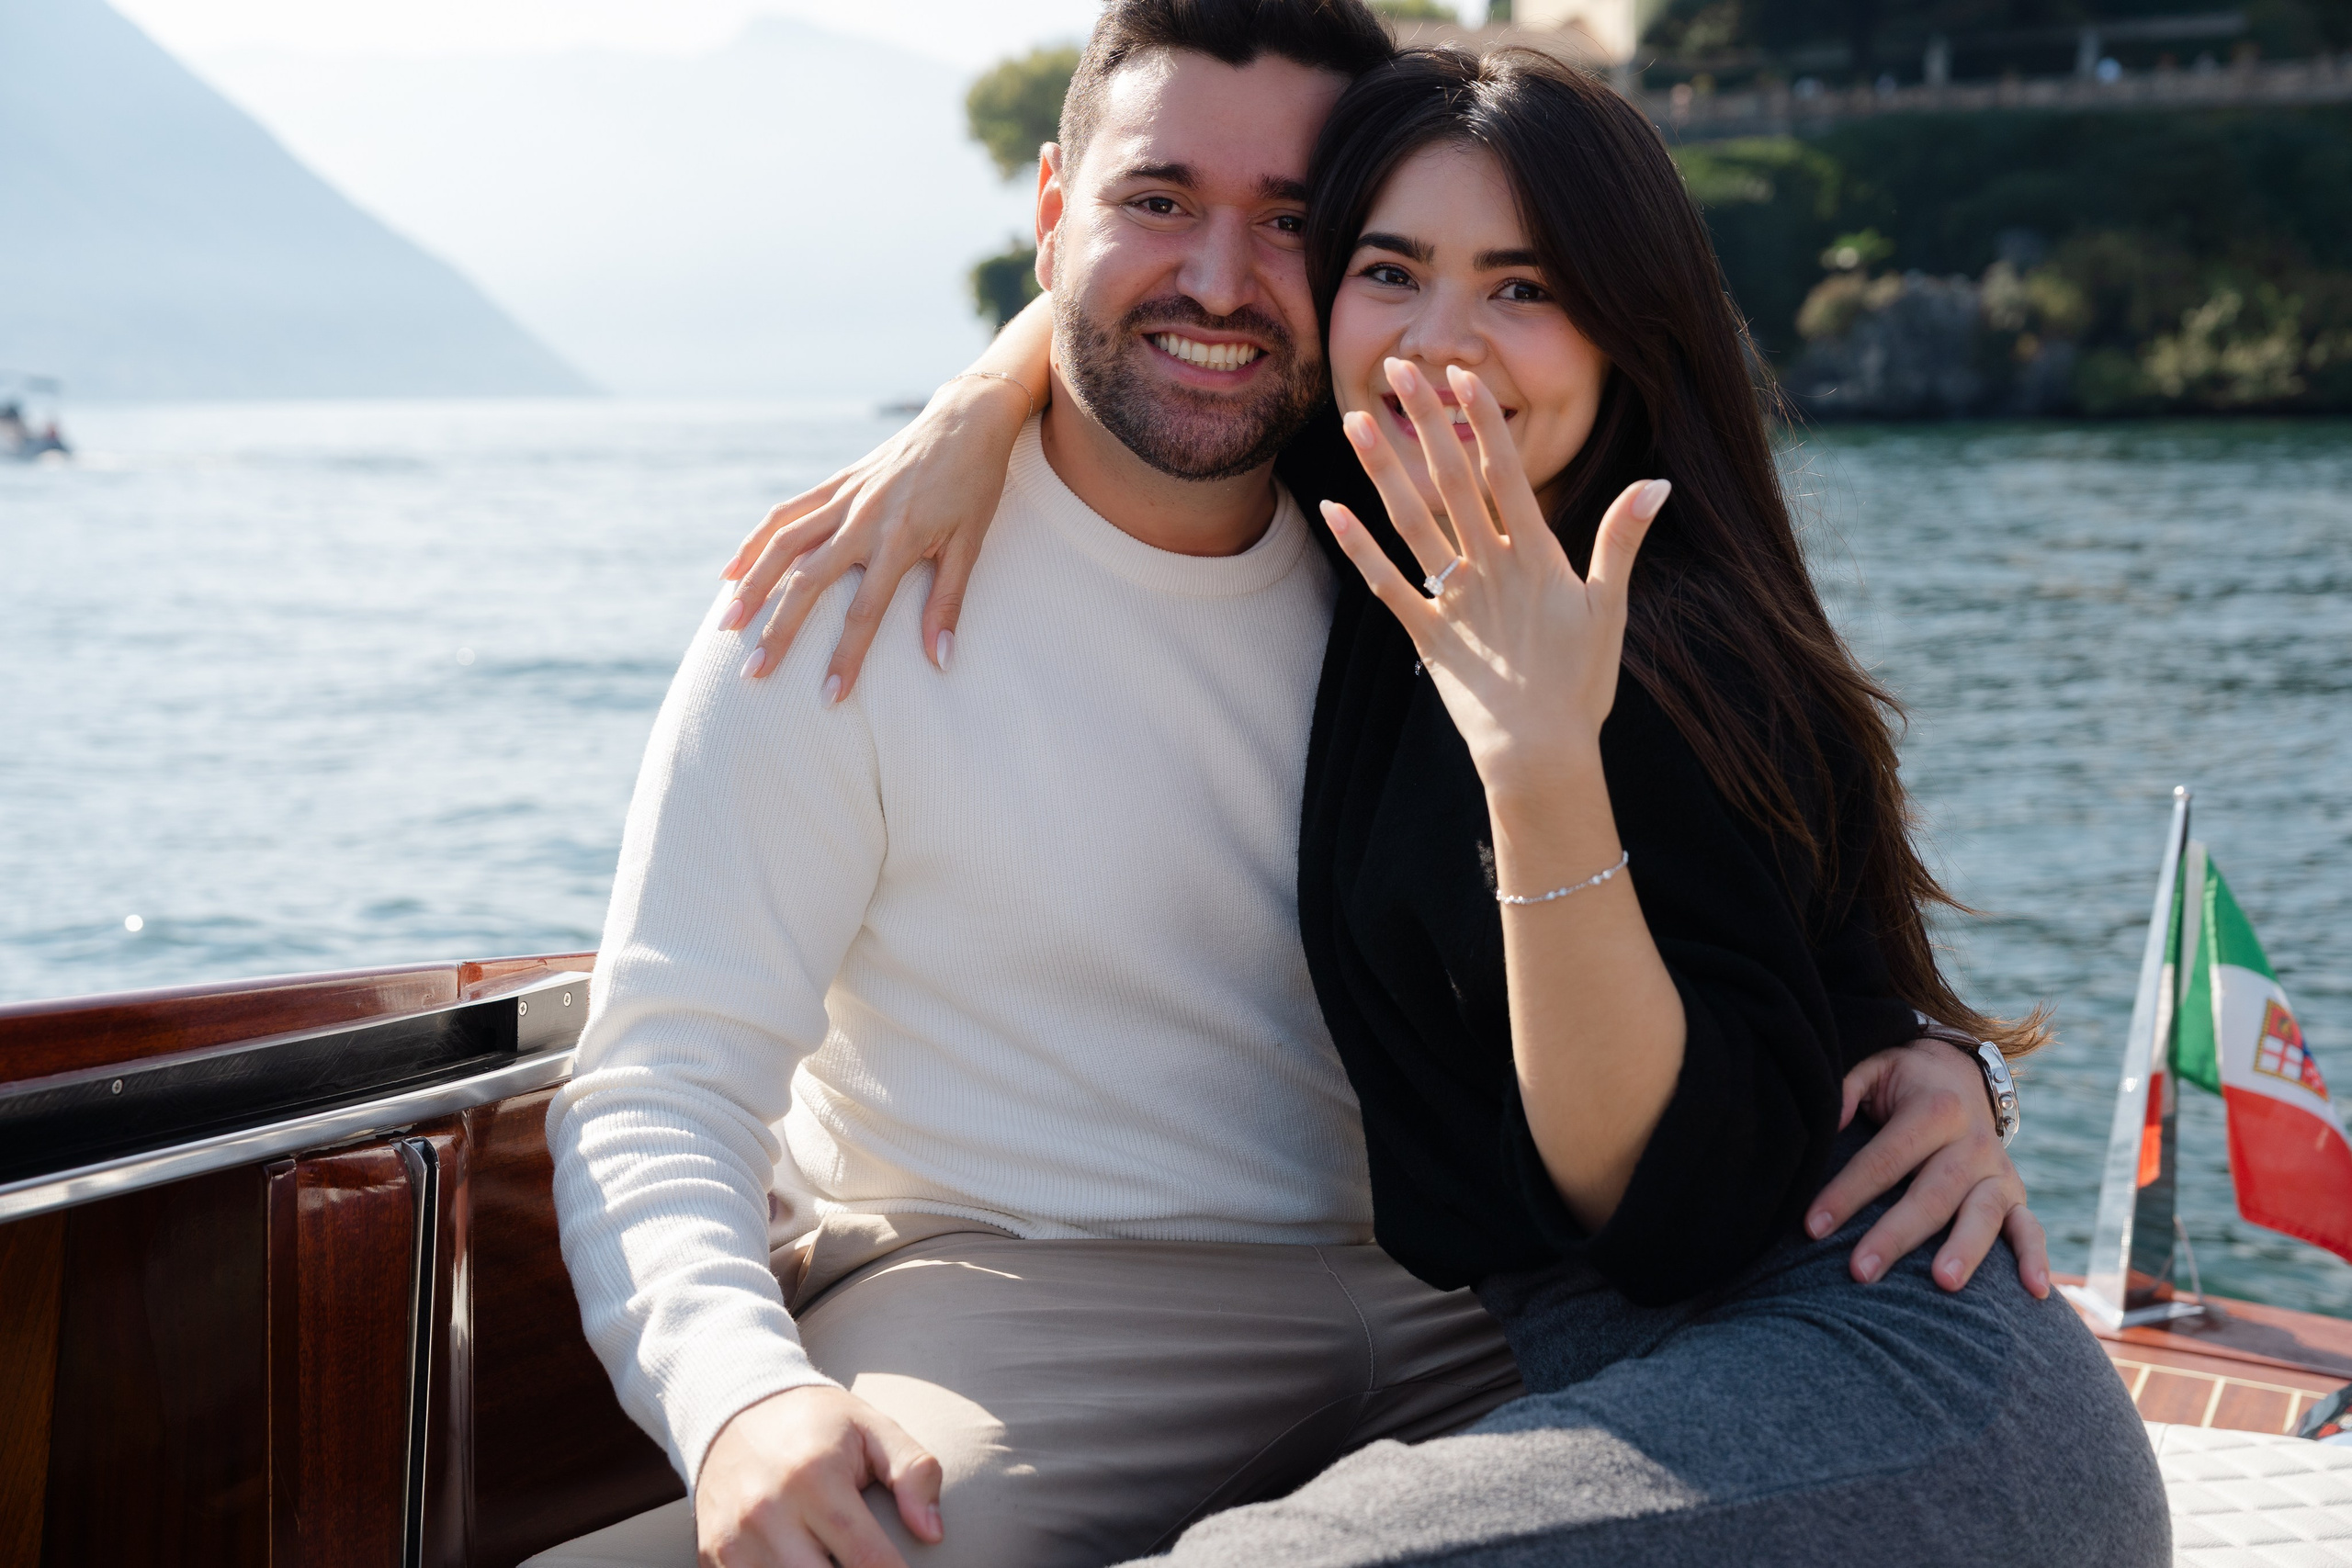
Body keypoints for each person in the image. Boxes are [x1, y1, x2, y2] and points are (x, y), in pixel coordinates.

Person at [545, 6, 2071, 1567]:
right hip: (1030, 1297)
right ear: (1054, 205)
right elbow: (662, 1081)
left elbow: (1722, 839)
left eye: (1290, 225)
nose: (1219, 278)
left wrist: (1921, 1045)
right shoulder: (846, 598)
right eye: (1160, 201)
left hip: (1469, 1303)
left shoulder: (1414, 523)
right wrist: (737, 1399)